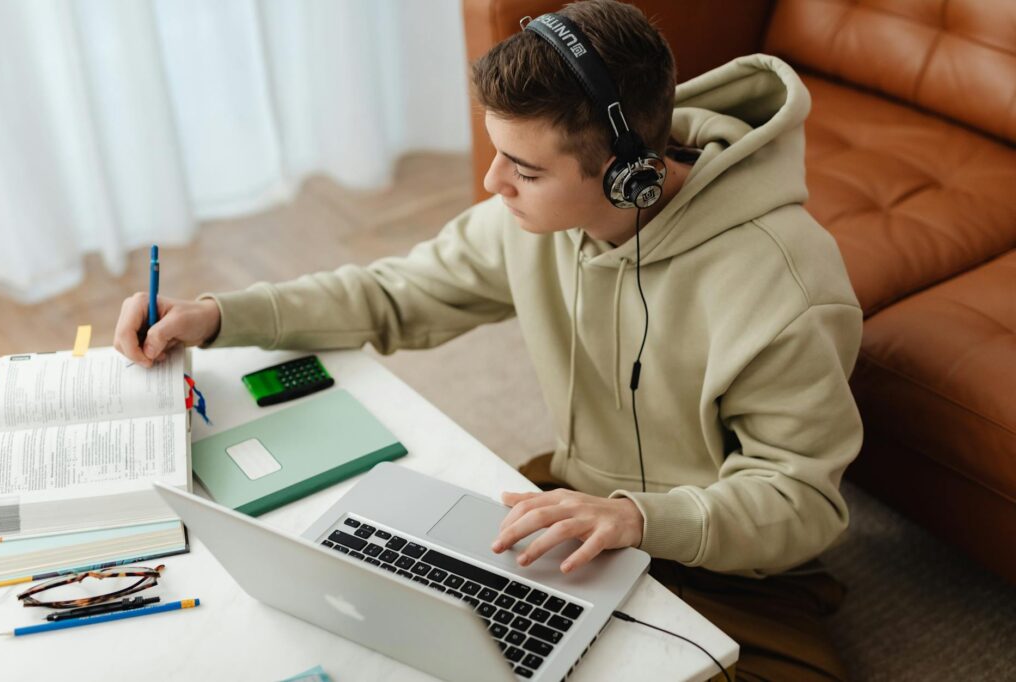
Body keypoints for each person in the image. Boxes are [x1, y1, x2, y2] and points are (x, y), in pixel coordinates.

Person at [114, 1, 861, 679]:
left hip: (729, 568)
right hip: (573, 511)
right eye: (496, 152)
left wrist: (638, 518)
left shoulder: (784, 286)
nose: (493, 184)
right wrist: (217, 315)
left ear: (626, 174)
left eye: (526, 170)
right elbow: (394, 292)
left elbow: (802, 501)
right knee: (381, 617)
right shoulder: (527, 222)